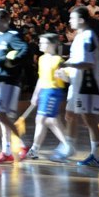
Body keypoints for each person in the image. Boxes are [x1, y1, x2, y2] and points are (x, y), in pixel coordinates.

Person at [58, 6, 99, 167]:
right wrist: (65, 70)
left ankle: (96, 156)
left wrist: (67, 64)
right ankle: (69, 148)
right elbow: (76, 59)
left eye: (73, 18)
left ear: (82, 20)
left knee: (89, 119)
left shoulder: (88, 36)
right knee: (69, 114)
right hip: (76, 84)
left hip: (87, 85)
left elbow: (87, 63)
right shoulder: (79, 36)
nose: (70, 20)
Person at [0, 9, 29, 164]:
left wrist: (13, 61)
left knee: (2, 115)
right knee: (0, 117)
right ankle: (6, 151)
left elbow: (25, 49)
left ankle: (22, 144)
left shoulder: (12, 36)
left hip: (8, 81)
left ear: (4, 20)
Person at [24, 33, 70, 161]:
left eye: (43, 42)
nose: (40, 44)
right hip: (44, 91)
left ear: (52, 44)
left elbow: (67, 78)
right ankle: (66, 145)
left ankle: (36, 149)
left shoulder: (58, 60)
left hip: (53, 92)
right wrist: (36, 94)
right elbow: (41, 78)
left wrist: (62, 75)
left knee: (44, 119)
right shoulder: (42, 59)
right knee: (47, 120)